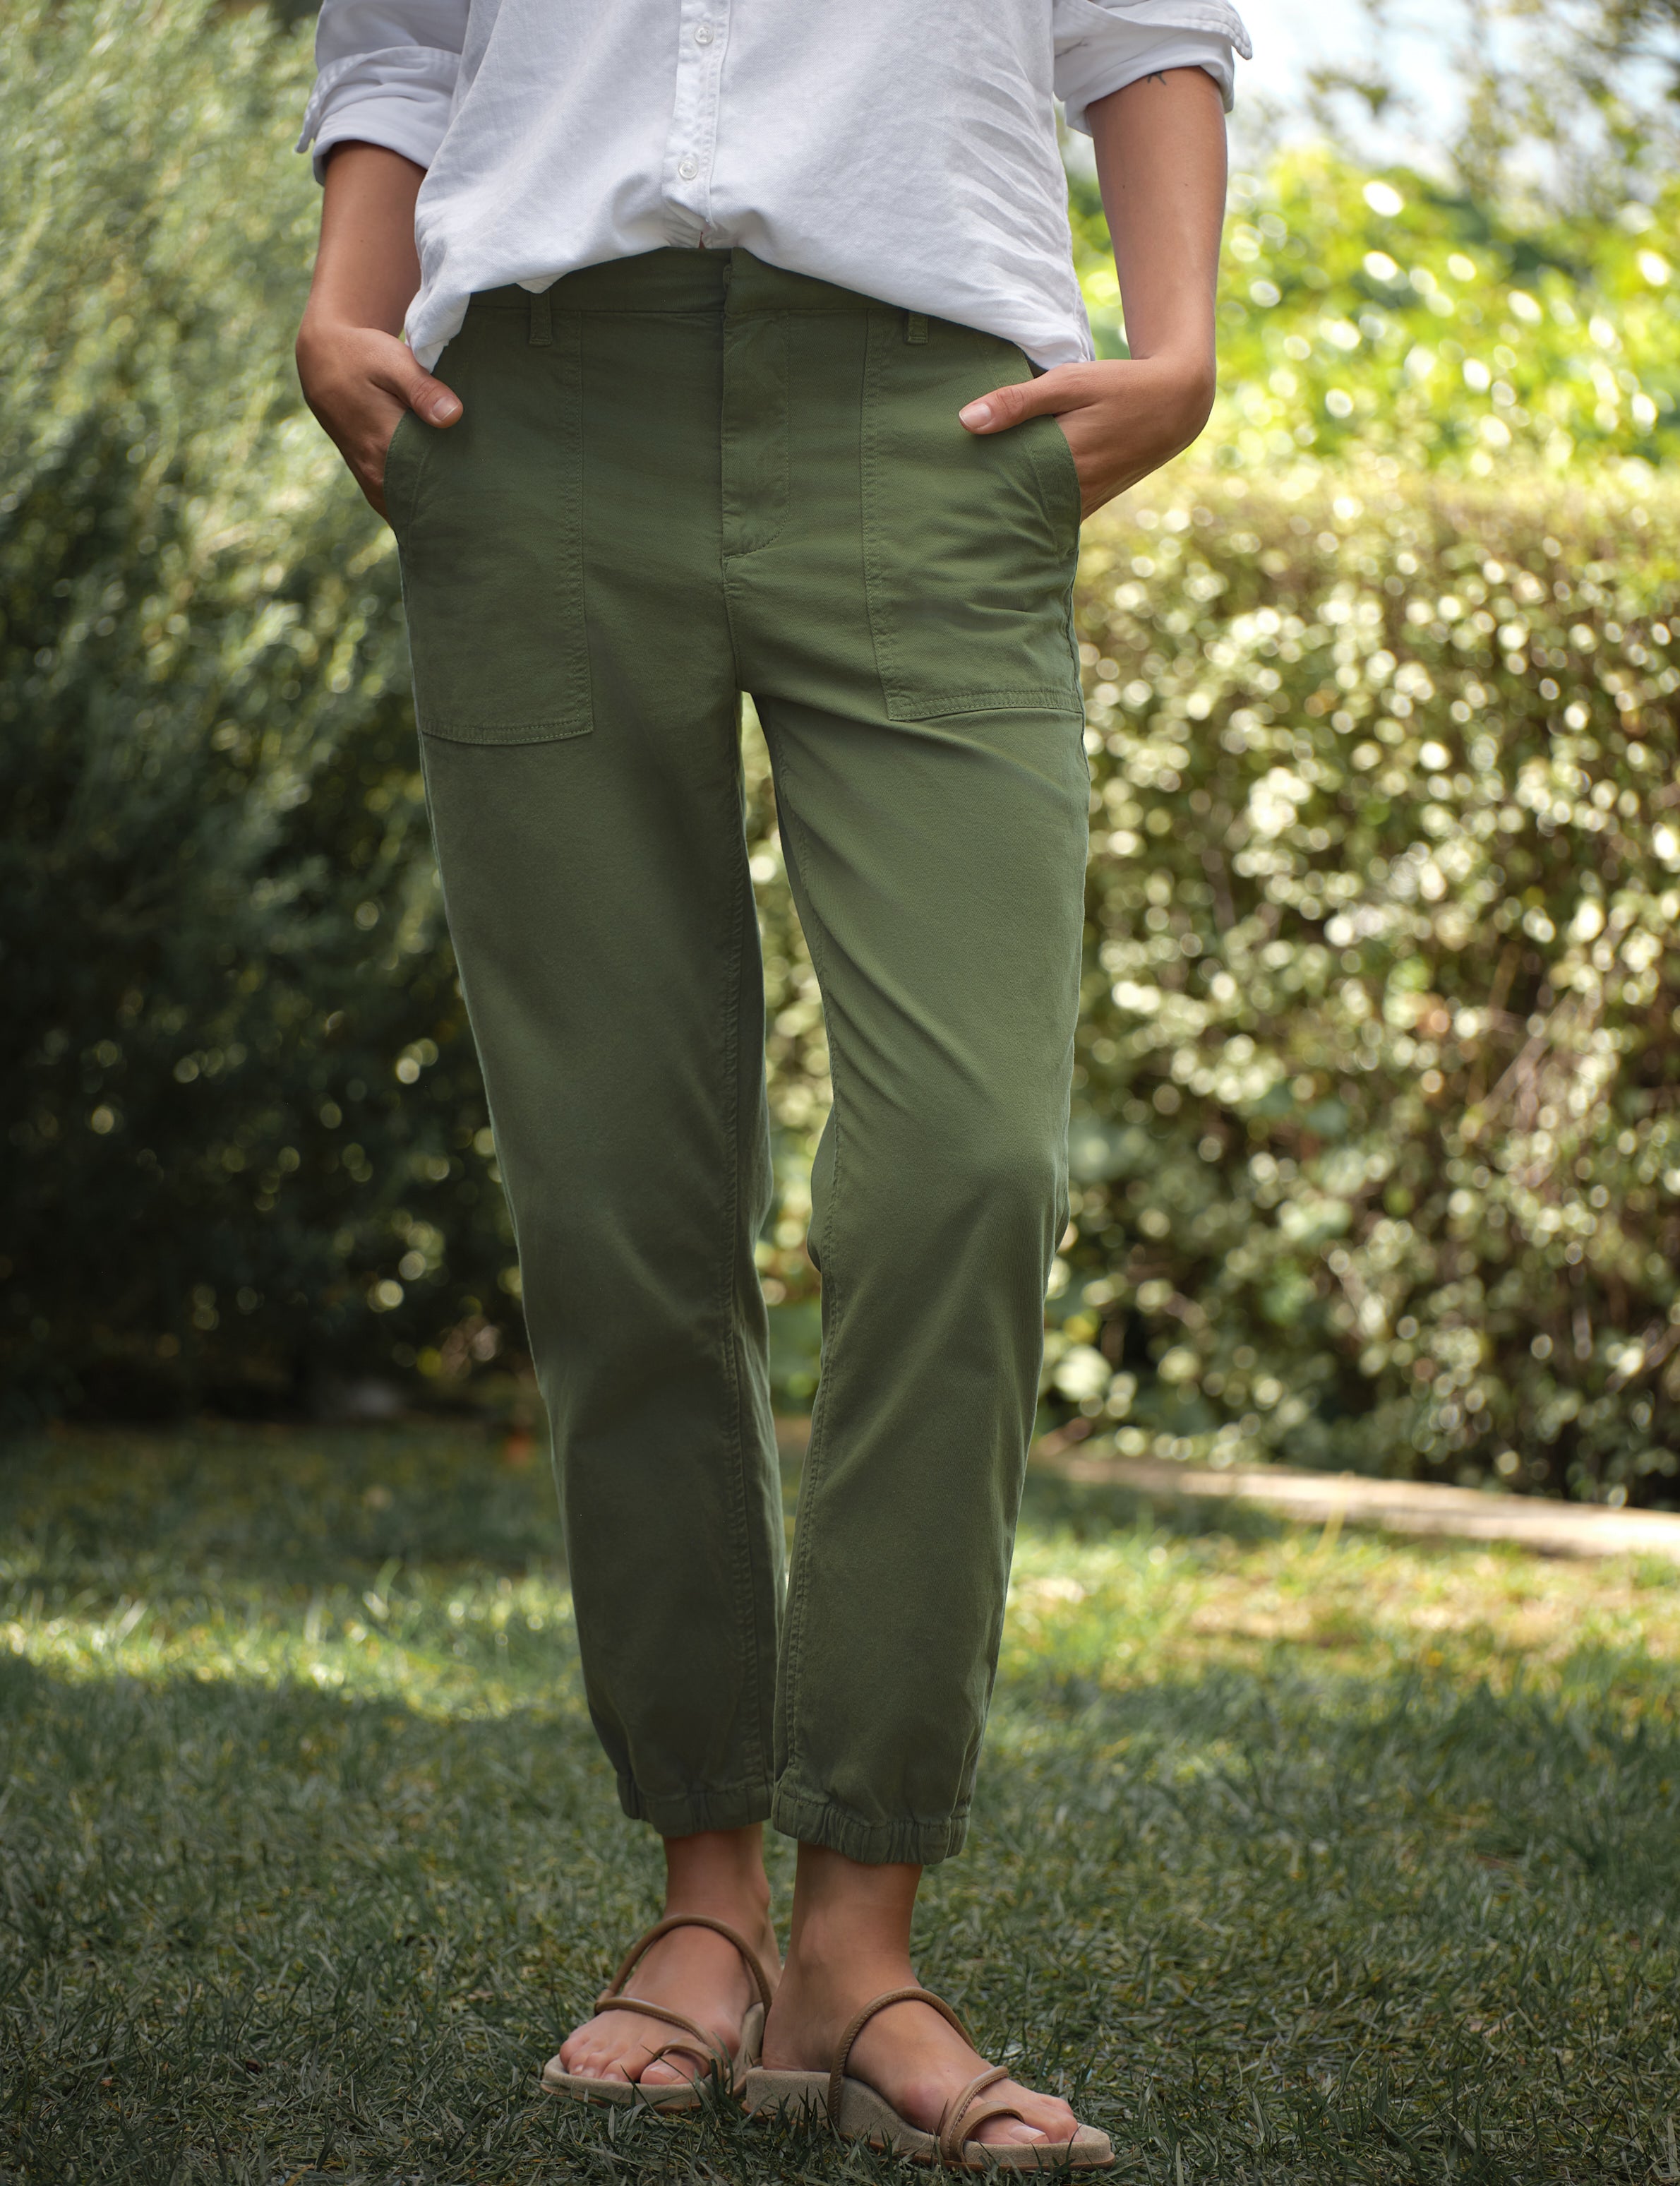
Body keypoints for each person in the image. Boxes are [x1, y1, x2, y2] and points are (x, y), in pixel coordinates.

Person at [296, 0, 1246, 2163]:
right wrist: (347, 300)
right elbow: (408, 29)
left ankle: (863, 1930)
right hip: (532, 408)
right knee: (616, 1193)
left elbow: (1146, 15)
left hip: (927, 405)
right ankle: (704, 1916)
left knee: (967, 1170)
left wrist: (1176, 335)